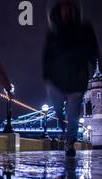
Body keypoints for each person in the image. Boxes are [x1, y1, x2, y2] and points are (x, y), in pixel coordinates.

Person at [43, 0, 100, 157]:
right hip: (55, 79)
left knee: (73, 114)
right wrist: (46, 76)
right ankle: (61, 121)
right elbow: (46, 57)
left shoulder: (85, 29)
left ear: (74, 11)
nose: (65, 11)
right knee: (58, 109)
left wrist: (95, 70)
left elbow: (94, 52)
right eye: (62, 9)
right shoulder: (53, 33)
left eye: (68, 8)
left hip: (77, 78)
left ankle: (69, 143)